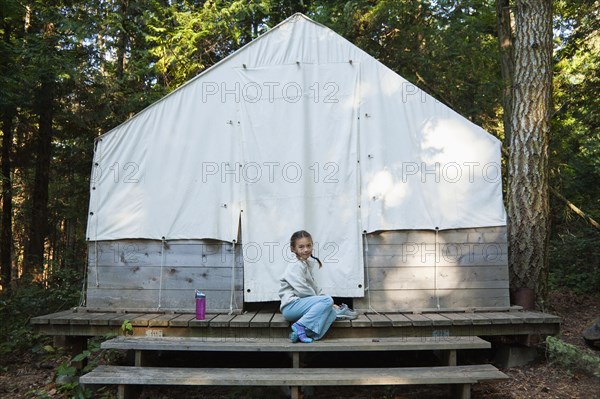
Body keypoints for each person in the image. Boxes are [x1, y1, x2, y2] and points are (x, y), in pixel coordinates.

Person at [278, 230, 337, 343]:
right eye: (301, 247)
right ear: (293, 249)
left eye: (308, 245)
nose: (306, 249)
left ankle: (303, 333)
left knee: (332, 312)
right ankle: (300, 325)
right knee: (327, 300)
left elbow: (313, 287)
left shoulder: (304, 264)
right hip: (291, 306)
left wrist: (326, 303)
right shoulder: (295, 265)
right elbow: (302, 289)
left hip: (300, 305)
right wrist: (323, 301)